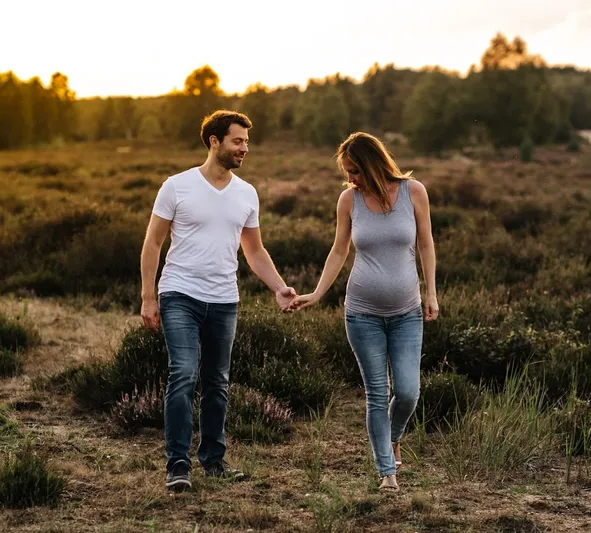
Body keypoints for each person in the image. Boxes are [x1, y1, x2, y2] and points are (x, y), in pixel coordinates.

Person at [140, 110, 297, 492]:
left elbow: (254, 250)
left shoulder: (246, 193)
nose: (245, 148)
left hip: (224, 299)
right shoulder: (177, 186)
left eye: (246, 141)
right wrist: (148, 296)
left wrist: (278, 287)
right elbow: (153, 242)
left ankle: (213, 460)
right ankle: (177, 464)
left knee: (217, 382)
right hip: (179, 293)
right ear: (214, 142)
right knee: (184, 374)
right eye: (237, 141)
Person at [290, 132, 439, 493]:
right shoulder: (349, 200)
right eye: (347, 172)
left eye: (355, 171)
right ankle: (387, 472)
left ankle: (394, 436)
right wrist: (317, 293)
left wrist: (432, 292)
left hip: (407, 311)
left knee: (407, 391)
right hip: (362, 313)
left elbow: (425, 243)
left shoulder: (413, 191)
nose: (351, 179)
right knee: (376, 392)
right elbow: (338, 250)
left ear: (373, 164)